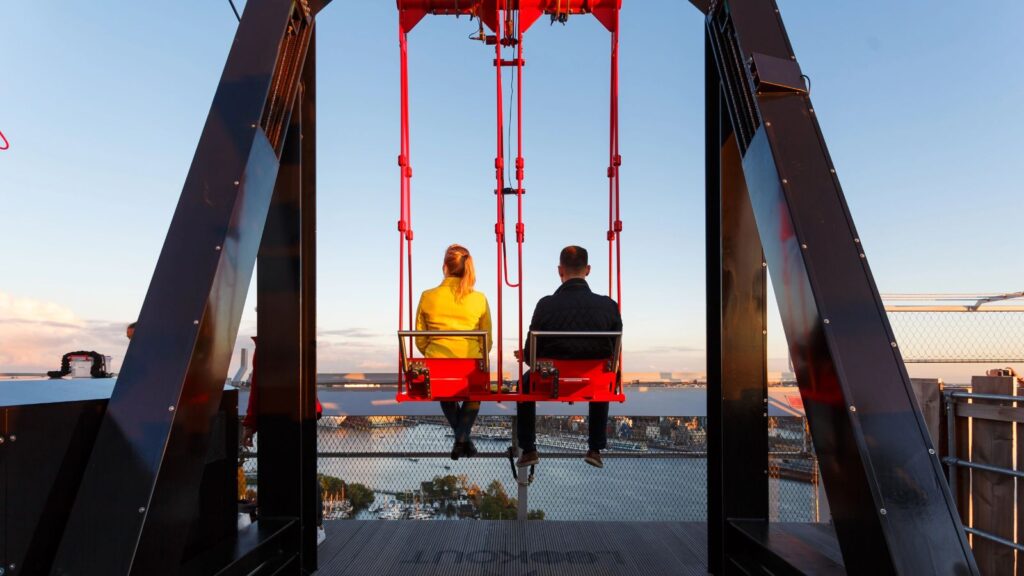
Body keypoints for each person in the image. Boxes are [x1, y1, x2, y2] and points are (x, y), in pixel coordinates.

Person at [515, 246, 622, 469]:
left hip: (550, 379)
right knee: (604, 378)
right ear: (588, 269)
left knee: (523, 386)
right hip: (593, 380)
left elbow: (530, 354)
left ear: (559, 270)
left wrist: (526, 356)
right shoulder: (609, 306)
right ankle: (595, 447)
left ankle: (529, 448)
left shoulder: (546, 305)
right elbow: (613, 352)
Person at [241, 335, 327, 545]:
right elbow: (258, 388)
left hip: (280, 418)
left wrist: (250, 424)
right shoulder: (297, 340)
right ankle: (310, 526)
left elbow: (256, 389)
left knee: (285, 471)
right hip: (292, 417)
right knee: (297, 471)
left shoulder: (270, 345)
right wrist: (250, 424)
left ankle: (307, 526)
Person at [415, 244, 493, 460]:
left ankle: (462, 439)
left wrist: (433, 354)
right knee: (475, 391)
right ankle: (462, 439)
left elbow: (420, 339)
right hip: (471, 365)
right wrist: (477, 354)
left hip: (437, 368)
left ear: (444, 267)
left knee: (444, 388)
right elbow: (487, 340)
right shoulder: (479, 298)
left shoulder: (427, 296)